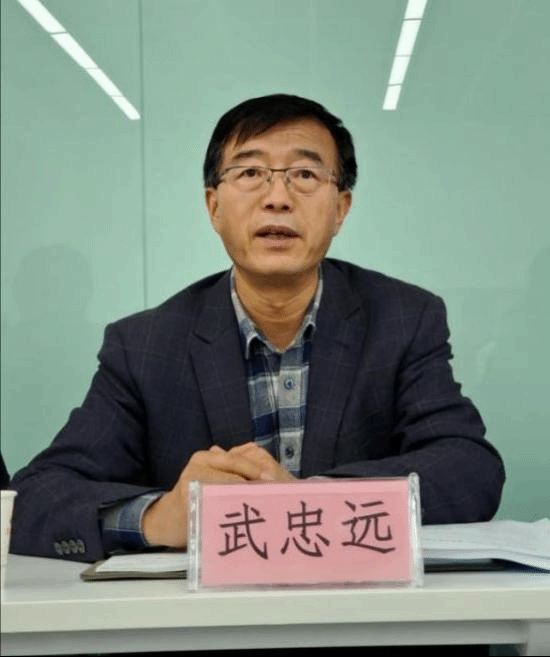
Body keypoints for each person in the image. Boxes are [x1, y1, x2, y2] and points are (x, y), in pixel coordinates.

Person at [10, 94, 505, 563]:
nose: (277, 198)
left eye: (305, 174)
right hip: (209, 617)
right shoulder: (144, 346)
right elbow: (37, 496)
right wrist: (160, 518)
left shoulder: (403, 319)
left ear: (340, 209)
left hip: (361, 608)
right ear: (214, 207)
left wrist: (312, 503)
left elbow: (469, 468)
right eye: (250, 173)